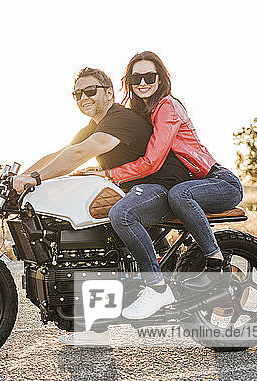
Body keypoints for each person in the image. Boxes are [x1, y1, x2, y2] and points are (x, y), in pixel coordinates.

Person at [12, 66, 193, 344]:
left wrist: (35, 178)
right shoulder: (95, 125)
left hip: (161, 188)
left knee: (117, 218)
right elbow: (61, 153)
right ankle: (95, 325)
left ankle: (156, 288)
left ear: (109, 93)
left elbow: (82, 152)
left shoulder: (120, 119)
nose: (83, 97)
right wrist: (19, 177)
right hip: (134, 190)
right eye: (77, 94)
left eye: (90, 91)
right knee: (92, 246)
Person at [85, 51, 243, 318]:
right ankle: (159, 269)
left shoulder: (167, 107)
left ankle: (214, 262)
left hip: (217, 180)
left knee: (178, 195)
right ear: (129, 80)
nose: (143, 82)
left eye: (150, 76)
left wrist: (111, 174)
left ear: (161, 78)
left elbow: (152, 161)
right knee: (171, 197)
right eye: (137, 77)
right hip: (190, 184)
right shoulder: (142, 111)